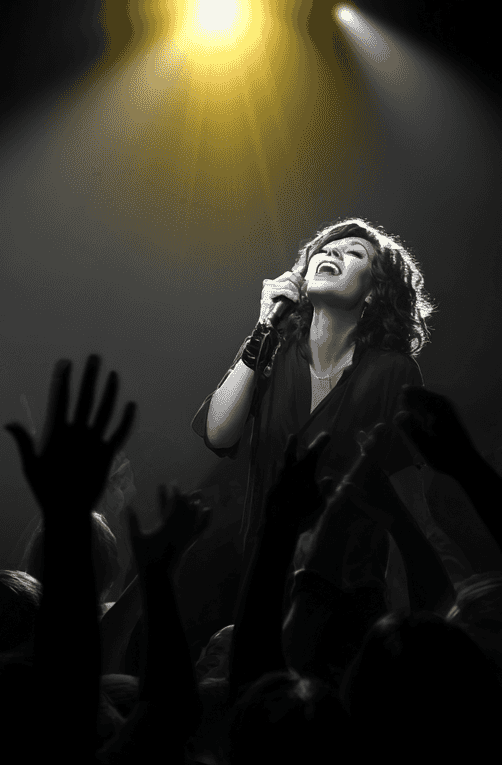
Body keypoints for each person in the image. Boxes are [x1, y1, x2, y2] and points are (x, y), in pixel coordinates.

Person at [192, 218, 466, 600]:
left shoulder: (393, 371)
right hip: (263, 580)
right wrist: (262, 325)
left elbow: (409, 500)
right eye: (326, 248)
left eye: (355, 253)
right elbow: (219, 432)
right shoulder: (272, 347)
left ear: (373, 292)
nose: (333, 251)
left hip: (350, 590)